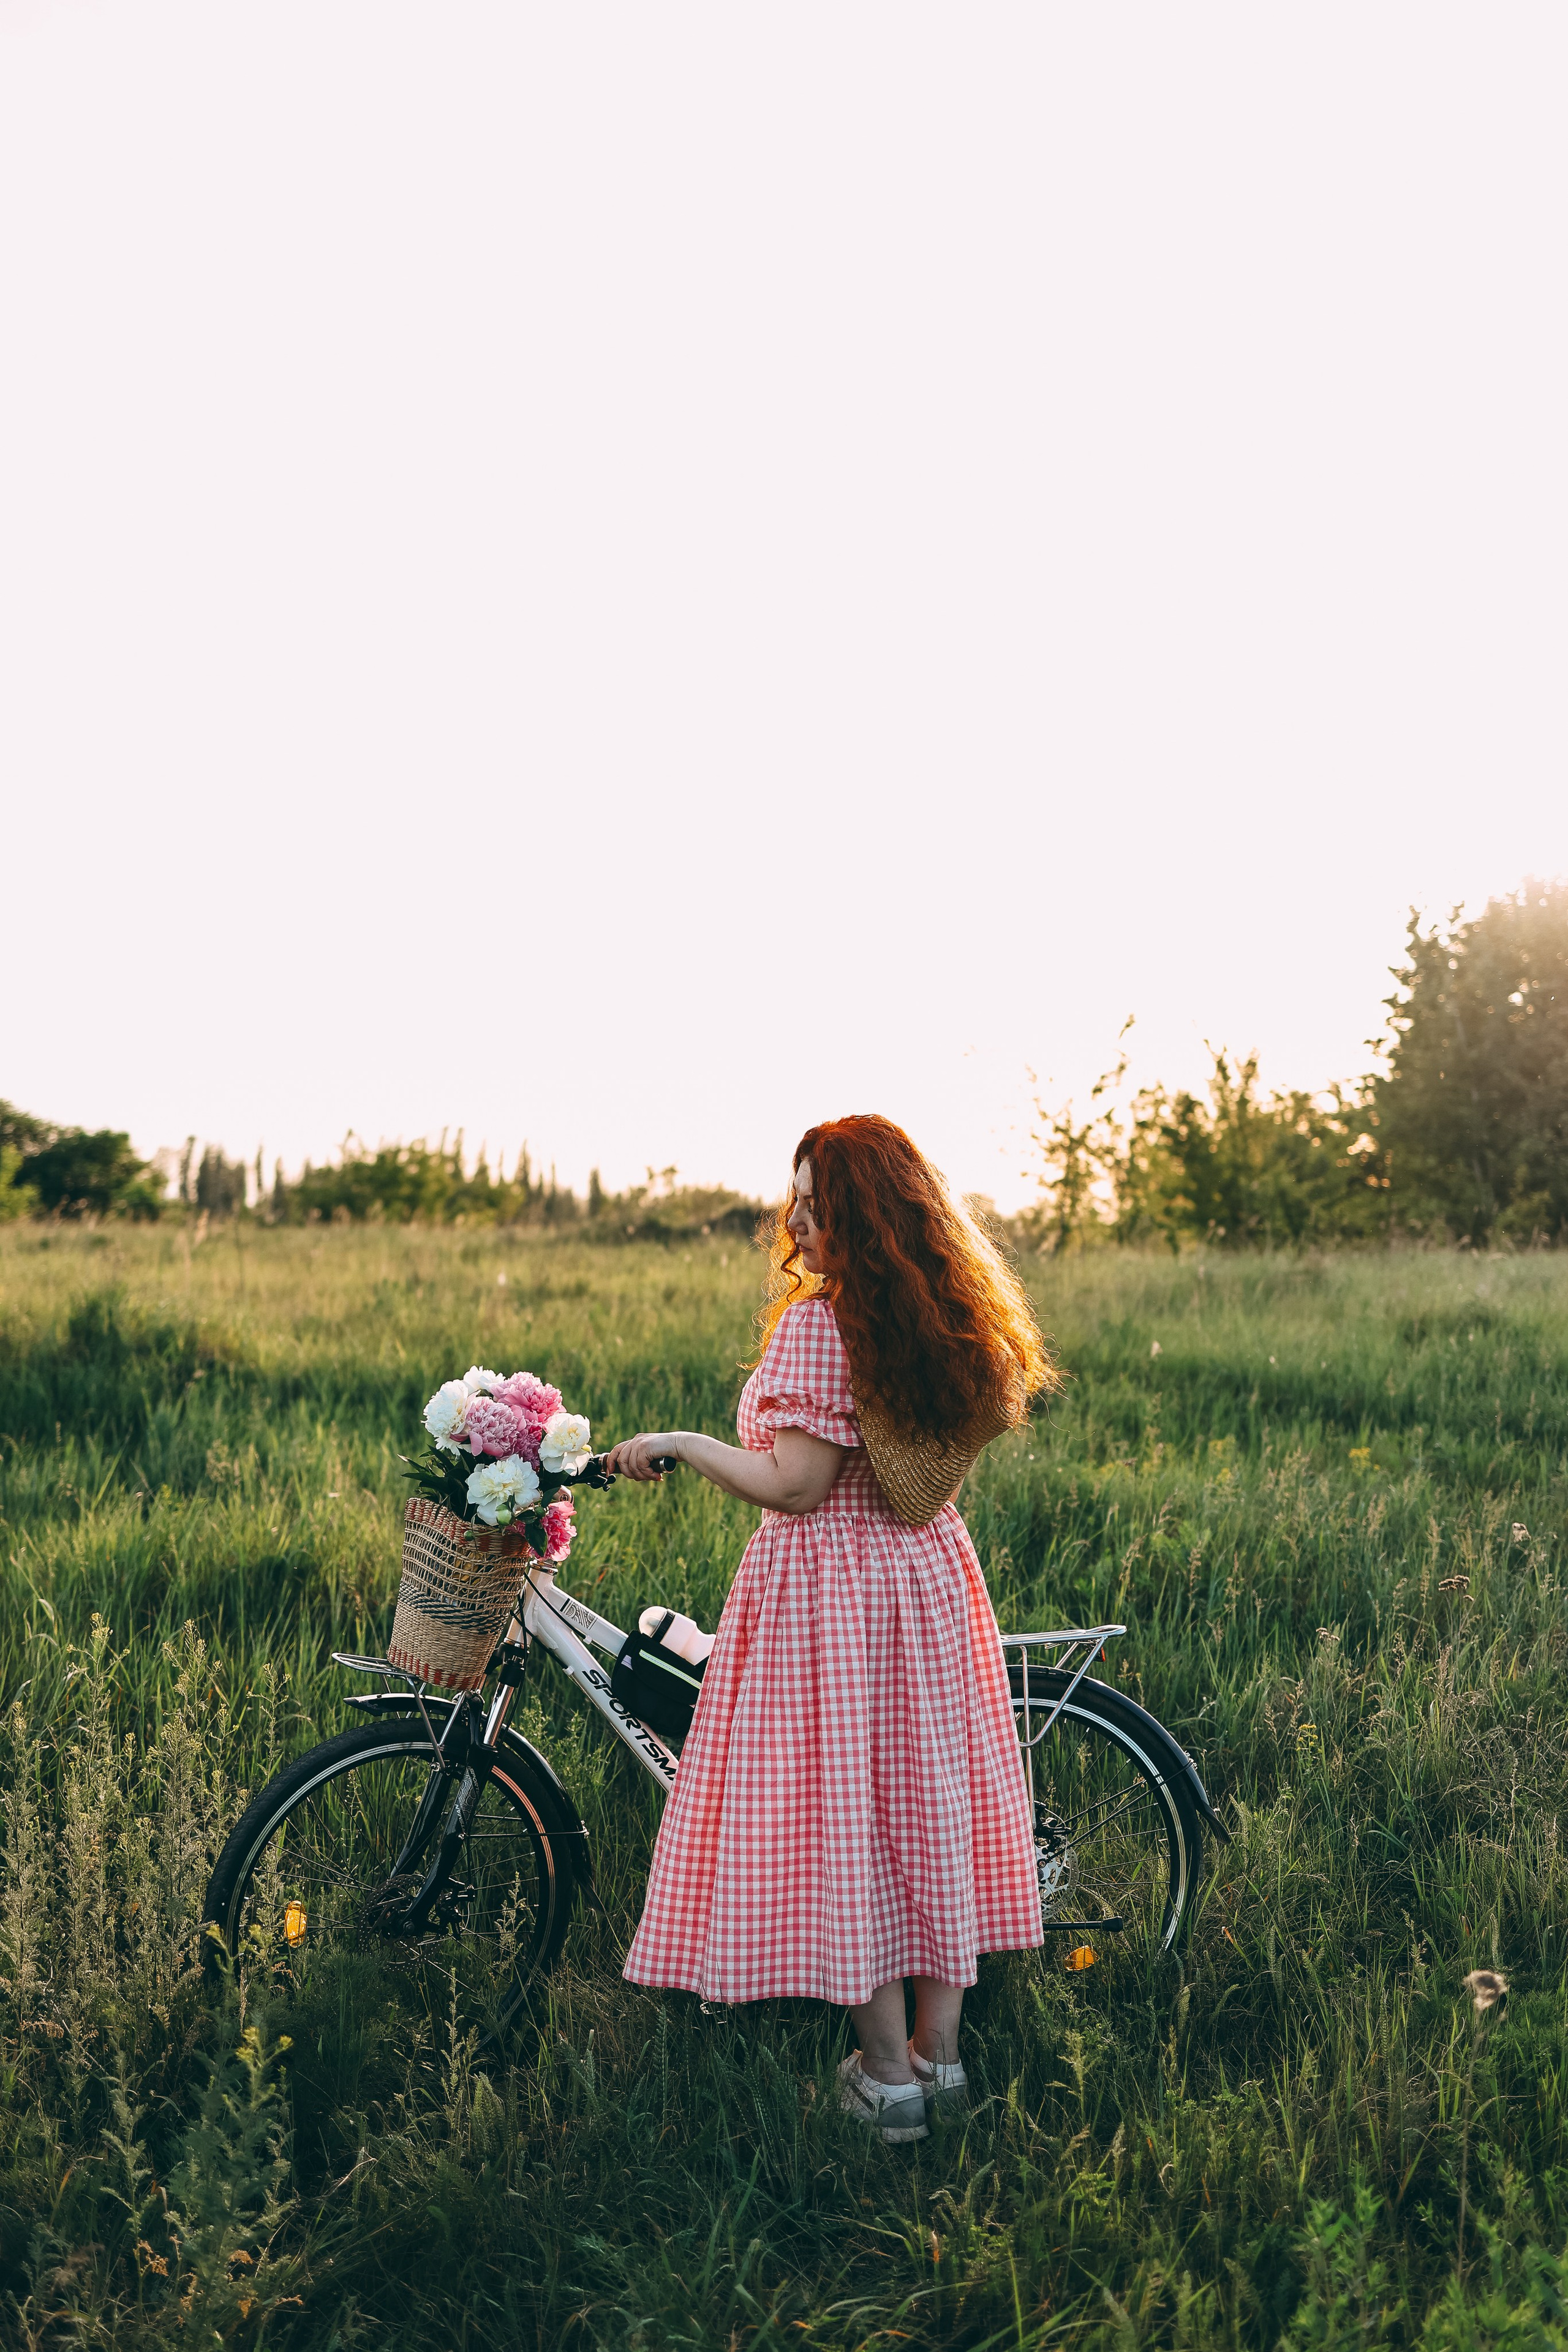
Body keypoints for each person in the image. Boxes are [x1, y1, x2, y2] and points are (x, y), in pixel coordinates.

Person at [606, 1114, 1057, 2144]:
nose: (798, 1225)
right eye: (797, 1203)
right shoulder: (940, 1315)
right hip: (926, 1583)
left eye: (819, 1207)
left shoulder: (822, 1325)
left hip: (833, 1597)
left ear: (865, 1217)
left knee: (846, 1821)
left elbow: (797, 1485)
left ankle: (887, 2080)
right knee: (926, 1809)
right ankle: (942, 2060)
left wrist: (683, 1443)